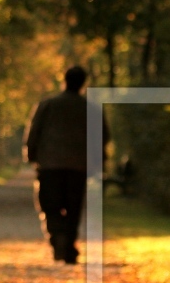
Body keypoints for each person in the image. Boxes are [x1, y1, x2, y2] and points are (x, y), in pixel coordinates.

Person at [24, 66, 108, 264]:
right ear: (83, 83)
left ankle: (57, 237)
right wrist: (98, 163)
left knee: (49, 205)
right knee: (73, 208)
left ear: (64, 80)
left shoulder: (47, 105)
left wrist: (31, 155)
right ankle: (68, 246)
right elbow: (102, 137)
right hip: (79, 166)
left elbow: (34, 132)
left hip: (49, 164)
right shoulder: (92, 109)